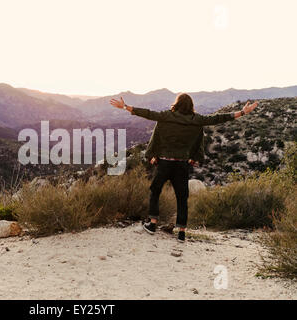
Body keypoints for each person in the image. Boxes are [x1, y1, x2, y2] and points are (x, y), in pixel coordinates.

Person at [110, 93, 258, 242]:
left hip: (164, 163)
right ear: (191, 106)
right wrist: (243, 112)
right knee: (182, 197)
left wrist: (124, 106)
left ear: (177, 103)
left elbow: (147, 113)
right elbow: (218, 118)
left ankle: (152, 224)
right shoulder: (197, 120)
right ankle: (181, 232)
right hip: (182, 164)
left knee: (155, 190)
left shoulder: (167, 116)